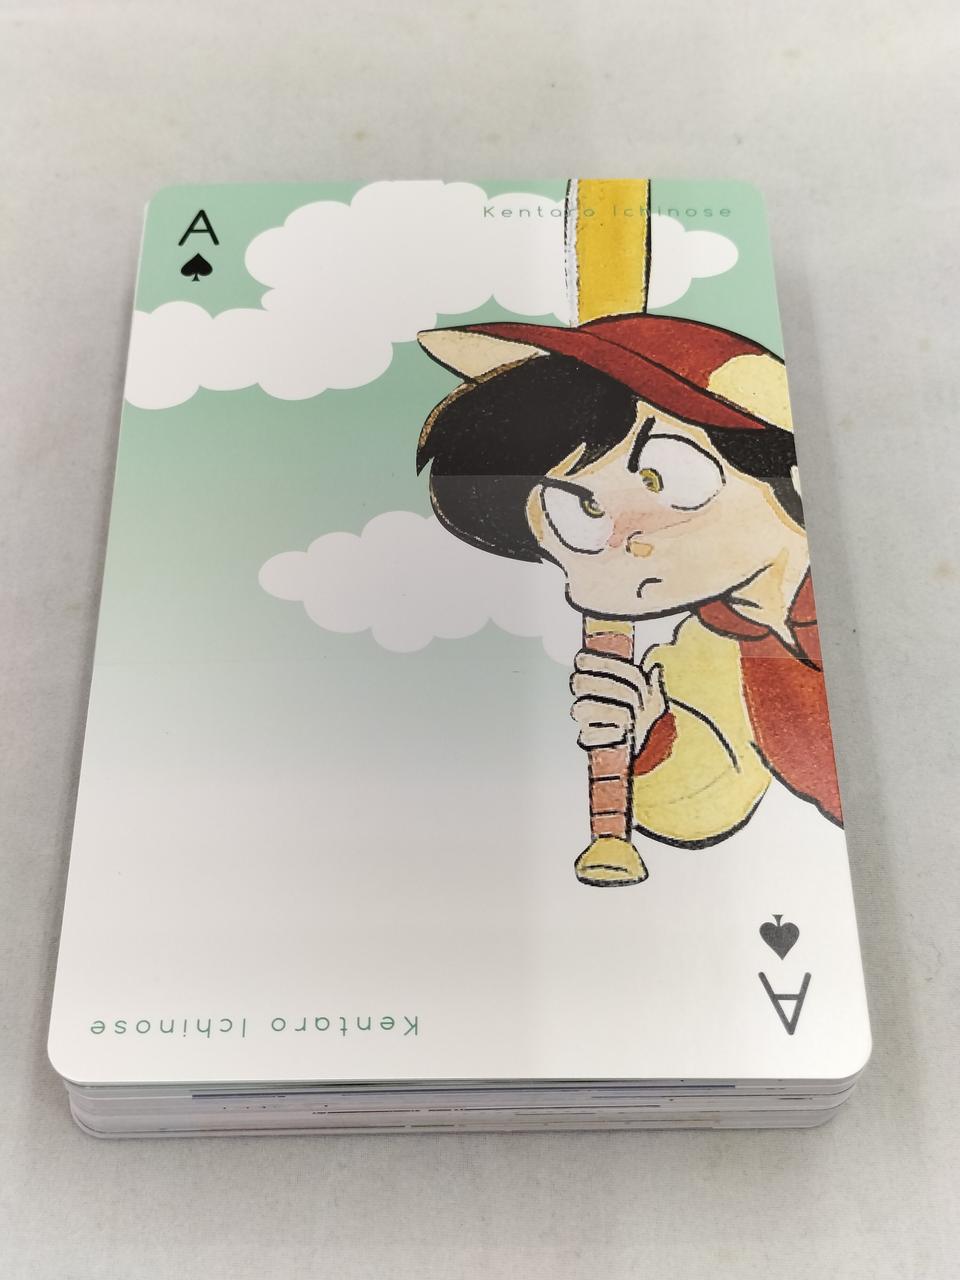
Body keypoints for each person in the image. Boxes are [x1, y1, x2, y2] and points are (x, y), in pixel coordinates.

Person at [415, 314, 842, 878]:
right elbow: (705, 805)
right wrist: (648, 728)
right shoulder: (713, 653)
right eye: (583, 512)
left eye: (660, 477)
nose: (630, 535)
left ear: (788, 466)